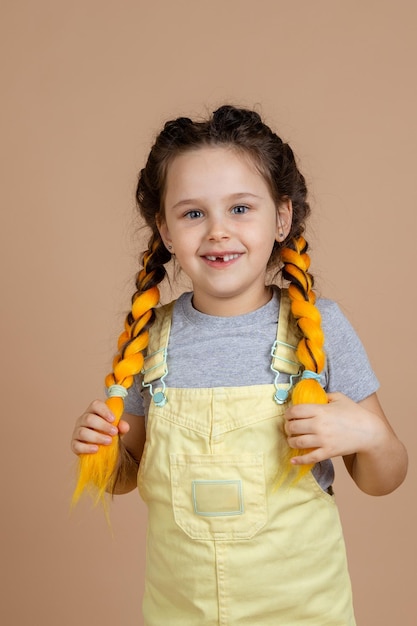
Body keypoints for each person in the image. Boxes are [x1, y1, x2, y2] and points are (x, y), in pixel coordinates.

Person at [71, 105, 407, 625]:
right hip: (180, 613)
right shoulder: (147, 340)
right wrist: (102, 449)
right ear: (164, 230)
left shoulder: (316, 327)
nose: (218, 232)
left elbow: (385, 477)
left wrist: (368, 435)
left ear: (282, 217)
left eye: (241, 209)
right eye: (193, 213)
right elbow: (125, 477)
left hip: (302, 614)